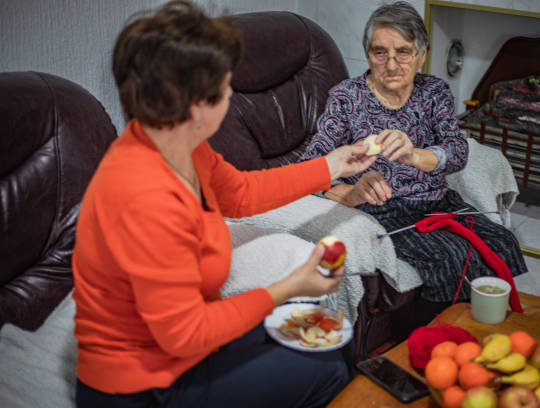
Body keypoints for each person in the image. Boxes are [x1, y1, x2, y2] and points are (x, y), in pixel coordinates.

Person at [71, 2, 378, 407]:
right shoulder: (142, 195)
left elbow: (242, 193)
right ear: (193, 104)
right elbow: (184, 333)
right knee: (328, 370)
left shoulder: (181, 145)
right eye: (223, 85)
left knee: (329, 339)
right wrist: (291, 286)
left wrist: (333, 164)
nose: (231, 92)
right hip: (144, 386)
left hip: (187, 353)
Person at [300, 1, 527, 322]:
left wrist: (414, 155)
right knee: (447, 258)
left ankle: (480, 329)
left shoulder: (434, 92)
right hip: (381, 210)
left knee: (502, 242)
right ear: (368, 54)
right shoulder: (347, 98)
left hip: (437, 202)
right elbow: (311, 168)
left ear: (422, 55)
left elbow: (457, 151)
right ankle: (432, 338)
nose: (391, 64)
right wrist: (352, 194)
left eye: (403, 52)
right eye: (380, 52)